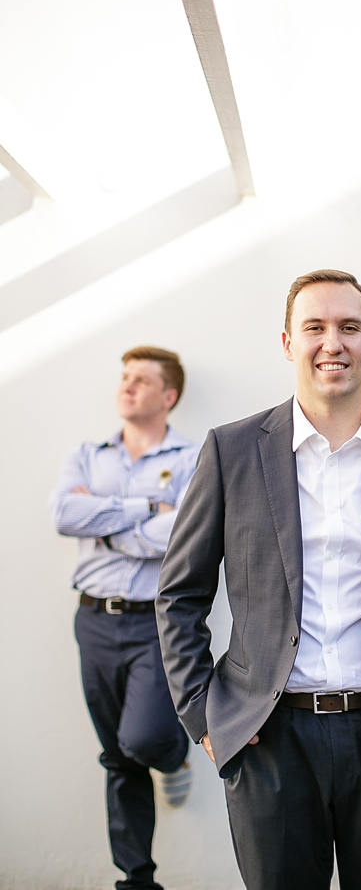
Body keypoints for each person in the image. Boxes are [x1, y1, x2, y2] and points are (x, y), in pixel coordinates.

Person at [155, 268, 361, 890]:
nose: (332, 342)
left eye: (349, 327)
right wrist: (203, 715)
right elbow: (180, 594)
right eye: (315, 327)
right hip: (269, 740)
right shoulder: (231, 451)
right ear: (287, 343)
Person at [50, 346, 200, 890]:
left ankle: (176, 754)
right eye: (125, 377)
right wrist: (142, 511)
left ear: (169, 396)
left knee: (142, 741)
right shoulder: (89, 454)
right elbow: (63, 513)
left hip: (153, 624)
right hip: (92, 622)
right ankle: (136, 880)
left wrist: (103, 520)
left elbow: (184, 534)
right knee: (117, 757)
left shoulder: (191, 457)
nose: (128, 386)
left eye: (141, 380)